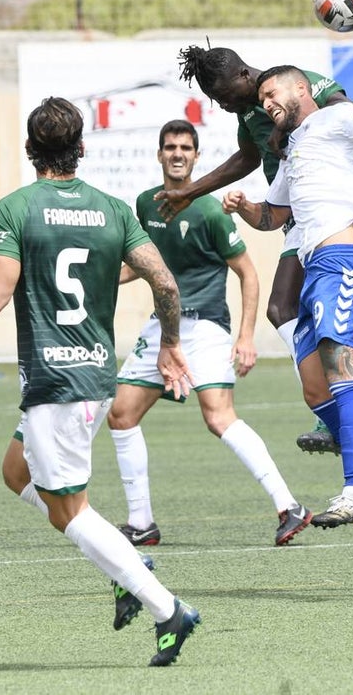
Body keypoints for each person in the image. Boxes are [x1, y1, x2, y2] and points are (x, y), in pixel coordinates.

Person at [0, 97, 199, 667]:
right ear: (81, 149)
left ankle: (164, 609)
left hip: (56, 385)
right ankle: (121, 564)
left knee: (70, 514)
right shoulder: (112, 210)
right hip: (94, 372)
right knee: (16, 471)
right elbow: (165, 283)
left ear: (31, 150)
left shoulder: (14, 209)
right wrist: (171, 345)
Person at [164, 44, 353, 475]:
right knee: (285, 311)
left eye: (228, 95)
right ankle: (348, 411)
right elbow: (248, 158)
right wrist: (193, 190)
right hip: (290, 214)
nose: (227, 105)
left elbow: (349, 111)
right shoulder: (247, 112)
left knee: (286, 310)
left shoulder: (289, 85)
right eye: (219, 101)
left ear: (245, 76)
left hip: (318, 211)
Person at [222, 66, 353, 543]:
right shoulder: (292, 148)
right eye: (261, 98)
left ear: (302, 88)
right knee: (317, 393)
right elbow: (274, 214)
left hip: (343, 262)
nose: (266, 103)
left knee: (343, 372)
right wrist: (243, 207)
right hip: (313, 268)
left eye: (271, 92)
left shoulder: (334, 120)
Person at [108, 119, 312, 548]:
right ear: (160, 154)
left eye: (185, 147)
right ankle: (141, 522)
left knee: (219, 417)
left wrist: (245, 337)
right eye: (170, 147)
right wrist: (103, 279)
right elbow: (144, 265)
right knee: (122, 414)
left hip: (205, 326)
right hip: (163, 325)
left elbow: (248, 274)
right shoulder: (147, 203)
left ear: (197, 156)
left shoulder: (211, 211)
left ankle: (288, 505)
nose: (177, 153)